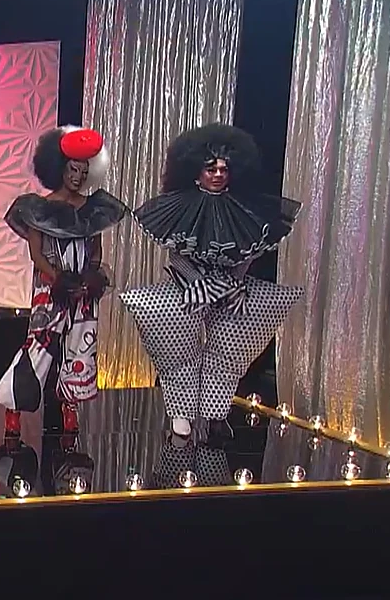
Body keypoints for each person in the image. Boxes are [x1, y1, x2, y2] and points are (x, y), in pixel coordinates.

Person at [120, 123, 301, 439]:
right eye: (210, 169)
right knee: (177, 351)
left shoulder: (243, 208)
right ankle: (181, 413)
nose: (218, 174)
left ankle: (215, 413)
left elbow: (248, 250)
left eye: (223, 169)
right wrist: (197, 282)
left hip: (229, 287)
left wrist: (232, 282)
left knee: (228, 351)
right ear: (195, 172)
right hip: (188, 287)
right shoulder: (179, 205)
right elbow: (176, 254)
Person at [0, 126, 127, 435]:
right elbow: (36, 254)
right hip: (51, 288)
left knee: (81, 344)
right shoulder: (38, 209)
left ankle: (70, 404)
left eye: (83, 172)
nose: (78, 177)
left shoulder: (94, 208)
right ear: (59, 169)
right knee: (40, 344)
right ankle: (14, 407)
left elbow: (95, 250)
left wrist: (89, 278)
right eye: (72, 170)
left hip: (84, 289)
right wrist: (60, 279)